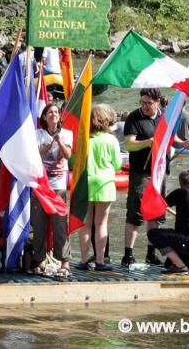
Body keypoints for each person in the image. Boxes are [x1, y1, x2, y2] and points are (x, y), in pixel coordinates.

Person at [122, 89, 189, 267]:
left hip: (160, 172)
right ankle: (128, 255)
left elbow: (172, 139)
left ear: (158, 102)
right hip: (141, 172)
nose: (145, 106)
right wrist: (149, 141)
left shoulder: (165, 117)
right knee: (135, 214)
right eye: (142, 102)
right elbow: (130, 144)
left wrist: (184, 144)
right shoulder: (133, 117)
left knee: (155, 214)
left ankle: (151, 254)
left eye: (149, 103)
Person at [30, 103, 73, 277]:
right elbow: (35, 155)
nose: (53, 115)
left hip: (59, 186)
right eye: (50, 112)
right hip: (41, 186)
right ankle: (39, 259)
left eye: (56, 112)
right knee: (39, 225)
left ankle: (64, 261)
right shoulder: (37, 134)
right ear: (44, 117)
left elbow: (68, 155)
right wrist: (47, 146)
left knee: (60, 225)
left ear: (60, 116)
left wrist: (59, 141)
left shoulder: (67, 133)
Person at [147, 170, 189, 274]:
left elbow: (159, 207)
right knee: (168, 265)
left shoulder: (181, 192)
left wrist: (147, 199)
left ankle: (180, 267)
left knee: (153, 234)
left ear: (180, 183)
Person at [82, 104, 122, 272]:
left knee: (85, 224)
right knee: (101, 224)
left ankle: (84, 260)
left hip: (86, 182)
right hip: (105, 184)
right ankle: (100, 261)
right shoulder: (111, 139)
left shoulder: (84, 139)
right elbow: (118, 164)